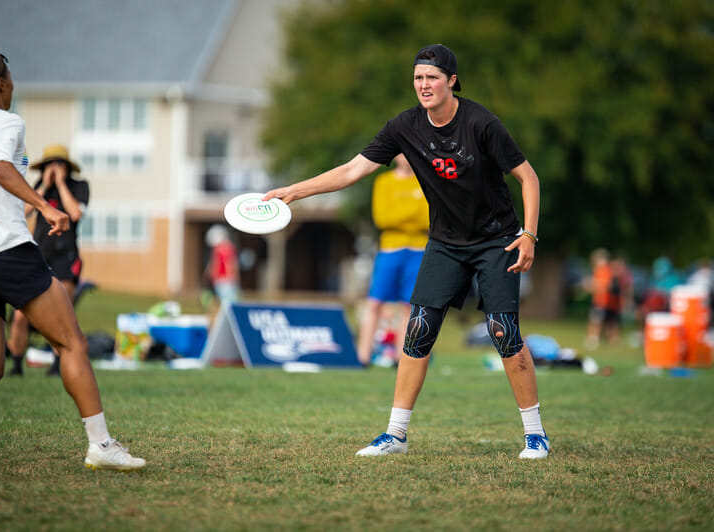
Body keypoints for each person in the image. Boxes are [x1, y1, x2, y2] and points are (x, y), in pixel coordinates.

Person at [264, 44, 549, 459]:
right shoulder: (404, 127)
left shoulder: (481, 123)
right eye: (418, 78)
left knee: (504, 331)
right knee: (417, 330)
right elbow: (351, 170)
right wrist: (294, 190)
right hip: (446, 243)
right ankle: (395, 435)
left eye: (432, 77)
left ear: (451, 81)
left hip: (496, 240)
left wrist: (529, 234)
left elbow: (529, 178)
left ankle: (535, 435)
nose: (424, 85)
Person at [0, 44, 145, 478]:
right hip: (7, 253)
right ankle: (101, 444)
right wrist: (44, 207)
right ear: (3, 83)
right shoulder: (8, 122)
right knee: (72, 344)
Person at [8, 144, 89, 377]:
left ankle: (58, 363)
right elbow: (24, 211)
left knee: (62, 313)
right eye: (49, 165)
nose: (53, 169)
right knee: (20, 313)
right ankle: (16, 364)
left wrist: (61, 184)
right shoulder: (39, 187)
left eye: (58, 165)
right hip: (38, 255)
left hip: (66, 257)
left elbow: (75, 214)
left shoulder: (79, 187)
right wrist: (44, 186)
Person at [356, 153, 428, 366]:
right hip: (389, 249)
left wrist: (401, 214)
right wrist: (412, 213)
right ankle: (363, 356)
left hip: (418, 250)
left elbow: (428, 217)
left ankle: (401, 357)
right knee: (375, 302)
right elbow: (382, 217)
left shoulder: (425, 180)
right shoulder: (383, 181)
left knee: (409, 306)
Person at [204, 224, 240, 307]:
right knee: (230, 304)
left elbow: (219, 266)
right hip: (226, 281)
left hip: (224, 281)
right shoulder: (228, 248)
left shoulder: (222, 249)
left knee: (228, 305)